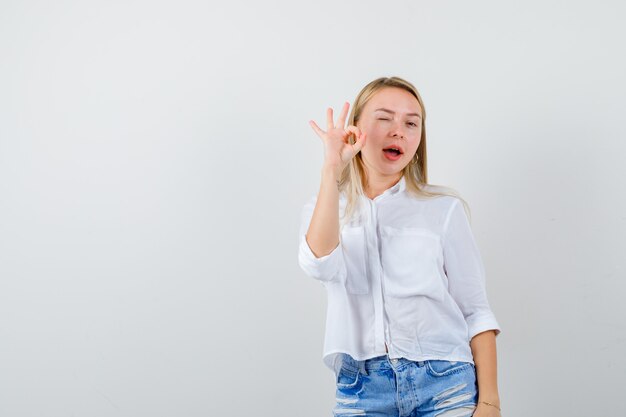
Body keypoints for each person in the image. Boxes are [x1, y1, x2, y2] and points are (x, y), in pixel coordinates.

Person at [297, 76, 503, 417]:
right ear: (355, 129)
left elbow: (476, 311)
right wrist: (332, 168)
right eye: (384, 118)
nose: (399, 131)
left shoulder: (444, 210)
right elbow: (319, 263)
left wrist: (490, 403)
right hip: (362, 389)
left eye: (411, 123)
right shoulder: (325, 208)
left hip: (445, 382)